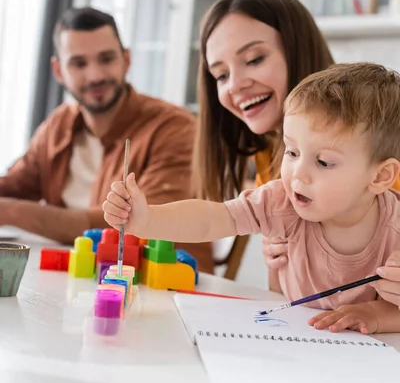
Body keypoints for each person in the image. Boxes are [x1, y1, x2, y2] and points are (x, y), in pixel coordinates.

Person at [104, 63, 400, 334]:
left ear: (380, 177)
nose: (298, 174)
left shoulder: (395, 228)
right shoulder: (281, 201)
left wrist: (376, 315)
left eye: (323, 162)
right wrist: (148, 220)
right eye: (292, 152)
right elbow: (213, 219)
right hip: (290, 340)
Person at [0, 7, 214, 272]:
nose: (95, 75)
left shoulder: (175, 128)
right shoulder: (60, 123)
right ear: (58, 70)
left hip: (160, 290)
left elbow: (133, 226)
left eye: (106, 58)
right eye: (79, 63)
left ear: (126, 59)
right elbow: (12, 186)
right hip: (78, 280)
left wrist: (10, 212)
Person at [191, 0, 334, 288]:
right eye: (221, 75)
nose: (234, 86)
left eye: (254, 59)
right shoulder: (269, 152)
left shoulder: (377, 143)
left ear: (298, 50)